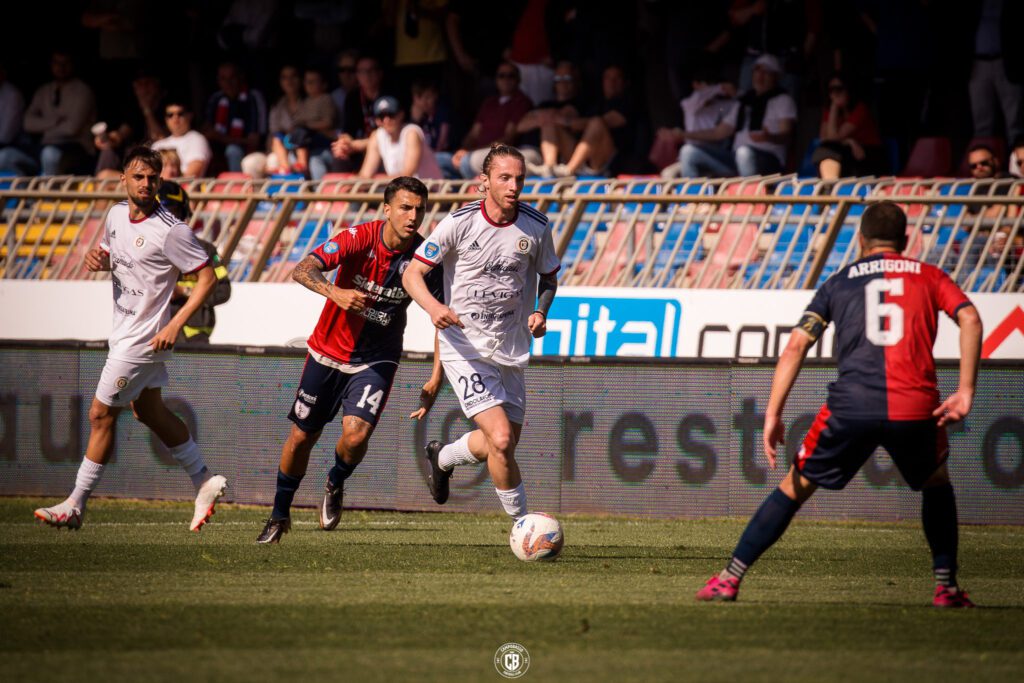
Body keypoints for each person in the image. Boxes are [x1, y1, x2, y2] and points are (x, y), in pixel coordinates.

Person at [695, 201, 983, 608]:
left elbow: (796, 345)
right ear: (905, 241)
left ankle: (729, 579)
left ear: (861, 240)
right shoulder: (931, 276)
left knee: (795, 486)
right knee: (936, 483)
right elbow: (970, 318)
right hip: (916, 406)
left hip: (852, 406)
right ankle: (946, 588)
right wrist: (966, 389)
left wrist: (773, 414)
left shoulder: (839, 282)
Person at [33, 146, 228, 531]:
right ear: (123, 178)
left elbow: (208, 279)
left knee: (100, 414)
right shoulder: (115, 215)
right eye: (138, 177)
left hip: (143, 339)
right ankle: (203, 480)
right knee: (148, 411)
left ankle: (75, 504)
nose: (145, 184)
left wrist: (174, 325)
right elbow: (113, 252)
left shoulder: (171, 230)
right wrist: (99, 259)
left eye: (152, 178)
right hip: (124, 331)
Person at [256, 176, 445, 544]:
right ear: (387, 209)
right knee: (301, 437)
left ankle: (335, 480)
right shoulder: (357, 237)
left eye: (420, 209)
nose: (413, 216)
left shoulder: (425, 259)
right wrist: (334, 292)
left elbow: (442, 317)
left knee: (356, 436)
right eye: (405, 208)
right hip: (326, 352)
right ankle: (279, 515)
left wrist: (436, 376)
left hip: (377, 358)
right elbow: (301, 269)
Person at [402, 143, 560, 522]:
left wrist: (541, 311)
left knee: (500, 445)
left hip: (510, 348)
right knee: (501, 439)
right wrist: (435, 308)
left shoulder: (536, 226)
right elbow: (412, 274)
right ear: (484, 181)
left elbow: (549, 277)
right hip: (465, 348)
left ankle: (443, 457)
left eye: (519, 178)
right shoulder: (459, 223)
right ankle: (523, 526)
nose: (513, 186)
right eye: (504, 178)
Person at [158, 180, 232, 344]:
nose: (167, 218)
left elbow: (223, 291)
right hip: (153, 334)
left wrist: (184, 291)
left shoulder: (205, 250)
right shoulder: (142, 249)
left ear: (183, 213)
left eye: (172, 212)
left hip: (194, 339)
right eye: (160, 212)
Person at [0, 51, 96, 176]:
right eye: (57, 63)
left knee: (50, 155)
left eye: (65, 63)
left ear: (73, 64)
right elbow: (27, 123)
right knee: (5, 156)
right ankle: (27, 189)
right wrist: (55, 121)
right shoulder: (44, 91)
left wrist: (43, 128)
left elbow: (71, 129)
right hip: (44, 146)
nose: (61, 67)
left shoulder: (83, 91)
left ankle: (48, 190)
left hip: (76, 147)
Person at [438, 61, 533, 179]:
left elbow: (507, 139)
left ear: (518, 79)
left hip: (498, 155)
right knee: (439, 160)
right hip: (473, 154)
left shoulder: (521, 102)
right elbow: (473, 134)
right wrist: (462, 150)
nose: (506, 79)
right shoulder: (489, 102)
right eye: (501, 76)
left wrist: (470, 152)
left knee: (466, 162)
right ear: (496, 79)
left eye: (511, 76)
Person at [549, 64, 635, 177]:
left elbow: (606, 122)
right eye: (608, 77)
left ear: (625, 82)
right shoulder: (596, 104)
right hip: (583, 159)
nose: (612, 82)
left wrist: (569, 122)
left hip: (611, 162)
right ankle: (549, 168)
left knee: (596, 123)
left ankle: (569, 170)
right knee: (550, 122)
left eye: (617, 78)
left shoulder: (629, 103)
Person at [660, 67, 739, 178]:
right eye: (708, 85)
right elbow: (700, 97)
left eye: (714, 84)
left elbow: (739, 102)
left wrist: (732, 91)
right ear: (696, 85)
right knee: (668, 174)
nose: (711, 89)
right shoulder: (689, 104)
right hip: (690, 156)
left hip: (713, 157)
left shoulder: (722, 106)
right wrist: (719, 88)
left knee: (689, 153)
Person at [729, 54, 796, 176]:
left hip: (768, 159)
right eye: (757, 70)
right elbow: (719, 131)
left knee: (743, 153)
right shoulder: (744, 100)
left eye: (766, 72)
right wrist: (689, 134)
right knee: (691, 152)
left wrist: (769, 137)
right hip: (734, 156)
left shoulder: (783, 99)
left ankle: (749, 189)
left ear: (775, 76)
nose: (760, 76)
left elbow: (786, 136)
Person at [811, 72, 884, 179]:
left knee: (829, 150)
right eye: (831, 90)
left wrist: (834, 106)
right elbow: (824, 138)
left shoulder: (860, 109)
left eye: (839, 89)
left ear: (848, 89)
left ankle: (830, 184)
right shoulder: (829, 110)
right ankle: (830, 183)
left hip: (866, 153)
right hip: (846, 150)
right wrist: (849, 142)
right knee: (826, 149)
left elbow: (833, 137)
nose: (835, 94)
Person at [201, 62, 267, 173]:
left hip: (250, 154)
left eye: (232, 78)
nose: (228, 83)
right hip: (219, 151)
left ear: (241, 77)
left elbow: (254, 142)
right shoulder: (216, 99)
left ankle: (237, 184)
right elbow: (206, 132)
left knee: (233, 150)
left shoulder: (253, 97)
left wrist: (221, 137)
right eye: (223, 79)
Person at [358, 96, 443, 179]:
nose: (386, 120)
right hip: (402, 187)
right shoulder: (377, 136)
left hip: (430, 187)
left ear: (401, 115)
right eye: (381, 117)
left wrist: (375, 180)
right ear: (376, 120)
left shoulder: (411, 133)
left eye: (391, 115)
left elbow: (407, 175)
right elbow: (365, 175)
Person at [151, 101, 212, 178]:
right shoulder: (158, 145)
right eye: (170, 115)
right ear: (165, 119)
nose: (175, 118)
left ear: (190, 116)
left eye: (180, 114)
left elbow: (191, 176)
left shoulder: (197, 139)